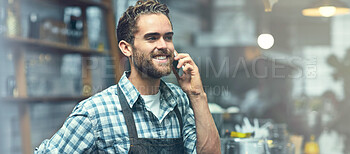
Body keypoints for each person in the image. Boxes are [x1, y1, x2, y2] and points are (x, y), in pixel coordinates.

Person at [34, 0, 221, 153]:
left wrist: (197, 95)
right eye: (152, 38)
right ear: (126, 48)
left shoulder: (179, 100)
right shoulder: (96, 112)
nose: (164, 45)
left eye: (168, 37)